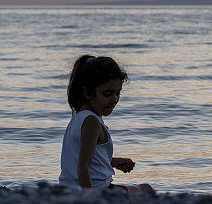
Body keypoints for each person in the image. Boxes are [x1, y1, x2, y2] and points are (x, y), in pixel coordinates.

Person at [59, 55, 155, 195]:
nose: (114, 99)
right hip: (97, 190)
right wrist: (91, 199)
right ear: (88, 93)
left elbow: (81, 158)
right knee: (146, 189)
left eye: (118, 93)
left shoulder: (78, 116)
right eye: (108, 94)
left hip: (65, 189)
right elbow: (83, 167)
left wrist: (112, 162)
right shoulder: (92, 122)